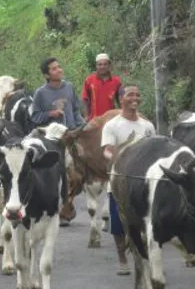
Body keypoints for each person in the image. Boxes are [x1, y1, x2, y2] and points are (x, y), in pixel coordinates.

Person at [101, 85, 156, 275]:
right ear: (121, 99)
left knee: (146, 221)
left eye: (138, 94)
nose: (135, 98)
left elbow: (154, 150)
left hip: (144, 183)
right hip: (120, 182)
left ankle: (146, 257)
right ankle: (122, 259)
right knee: (118, 225)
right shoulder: (112, 125)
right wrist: (119, 158)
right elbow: (107, 150)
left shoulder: (148, 126)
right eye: (130, 94)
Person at [31, 57, 85, 130]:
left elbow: (76, 110)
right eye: (54, 69)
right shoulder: (40, 93)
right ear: (46, 75)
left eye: (59, 67)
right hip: (53, 137)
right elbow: (35, 117)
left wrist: (83, 126)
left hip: (72, 133)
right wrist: (50, 114)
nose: (59, 70)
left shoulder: (69, 86)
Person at [82, 53, 122, 121]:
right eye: (100, 64)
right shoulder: (89, 80)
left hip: (111, 120)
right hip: (94, 120)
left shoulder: (116, 81)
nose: (102, 67)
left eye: (105, 64)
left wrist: (122, 115)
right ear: (96, 66)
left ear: (109, 65)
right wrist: (86, 116)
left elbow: (121, 100)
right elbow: (85, 100)